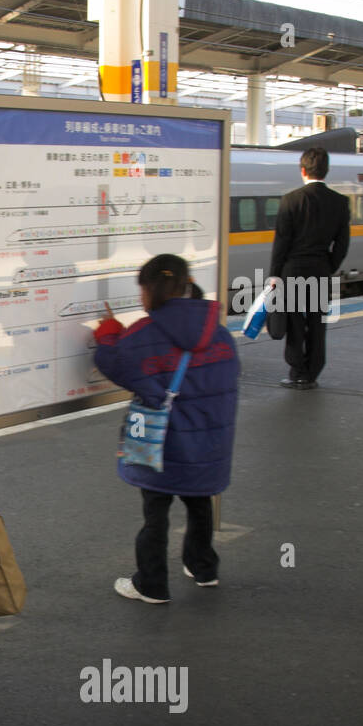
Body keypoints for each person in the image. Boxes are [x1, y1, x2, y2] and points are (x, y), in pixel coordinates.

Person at [93, 254, 239, 604]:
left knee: (155, 515)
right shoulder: (217, 331)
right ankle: (203, 568)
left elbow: (114, 363)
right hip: (209, 442)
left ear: (151, 289)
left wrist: (109, 333)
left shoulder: (145, 333)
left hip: (163, 444)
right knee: (200, 503)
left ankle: (152, 584)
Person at [268, 146, 351, 390]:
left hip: (292, 269)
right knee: (316, 321)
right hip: (321, 268)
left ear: (303, 170)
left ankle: (297, 372)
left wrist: (274, 273)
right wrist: (329, 265)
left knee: (294, 322)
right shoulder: (339, 202)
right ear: (326, 171)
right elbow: (342, 243)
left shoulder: (291, 200)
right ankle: (313, 372)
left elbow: (281, 241)